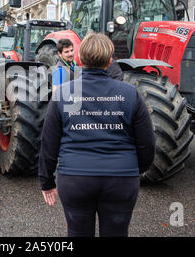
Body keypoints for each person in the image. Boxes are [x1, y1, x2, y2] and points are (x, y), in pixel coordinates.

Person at [39, 32, 156, 237]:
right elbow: (147, 144)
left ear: (80, 59)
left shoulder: (63, 93)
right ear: (110, 60)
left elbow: (49, 143)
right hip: (121, 179)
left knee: (77, 233)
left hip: (75, 179)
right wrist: (133, 170)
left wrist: (46, 181)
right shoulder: (130, 94)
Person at [52, 37, 124, 89]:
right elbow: (56, 96)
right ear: (59, 54)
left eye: (71, 50)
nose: (70, 54)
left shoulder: (74, 64)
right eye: (66, 52)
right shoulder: (60, 71)